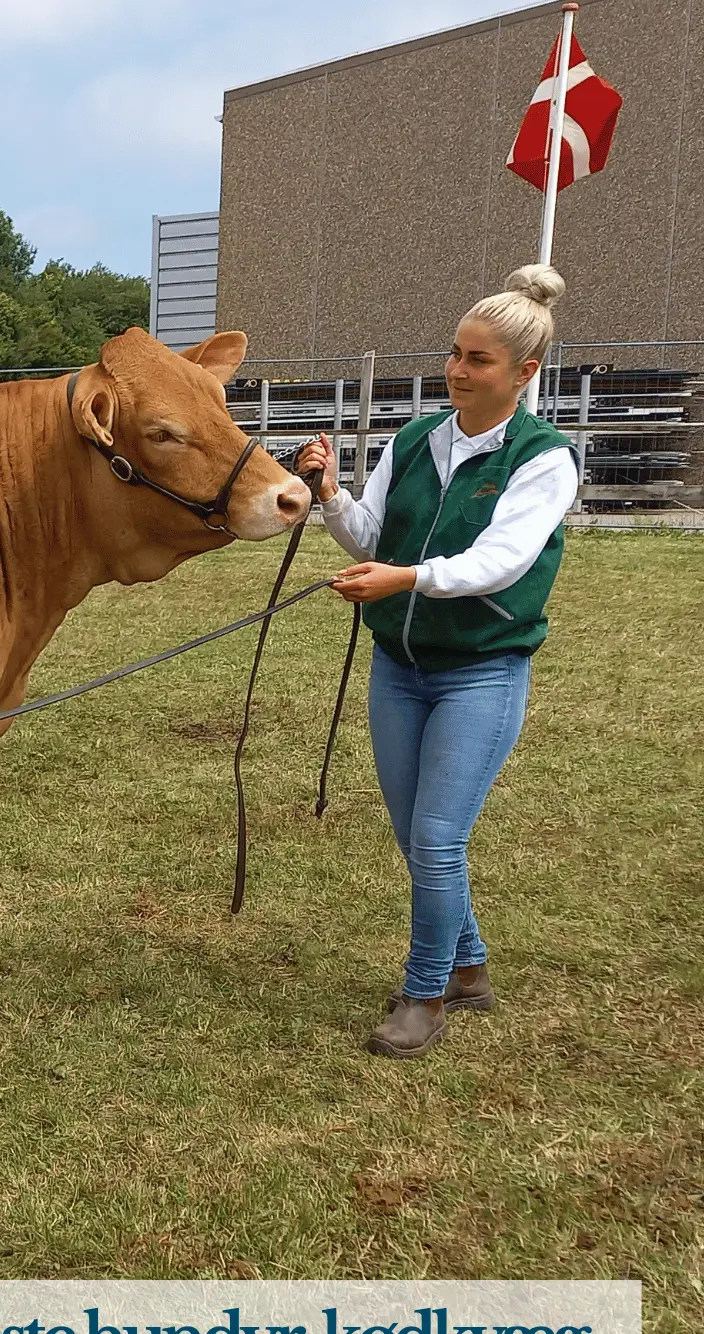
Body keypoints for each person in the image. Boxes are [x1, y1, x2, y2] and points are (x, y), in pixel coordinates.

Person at [296, 264, 579, 1060]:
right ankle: (470, 966)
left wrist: (405, 579)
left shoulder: (543, 458)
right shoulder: (415, 440)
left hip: (481, 673)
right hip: (399, 668)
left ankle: (424, 994)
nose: (456, 369)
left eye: (478, 359)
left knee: (437, 838)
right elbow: (370, 535)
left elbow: (500, 562)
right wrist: (329, 494)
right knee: (418, 836)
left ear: (524, 372)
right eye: (455, 352)